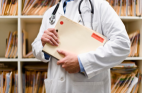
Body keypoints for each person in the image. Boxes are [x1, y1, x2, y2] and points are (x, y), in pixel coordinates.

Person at [32, 0, 130, 93]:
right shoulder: (51, 13)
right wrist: (44, 46)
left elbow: (122, 44)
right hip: (56, 87)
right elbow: (36, 47)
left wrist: (82, 63)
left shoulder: (100, 6)